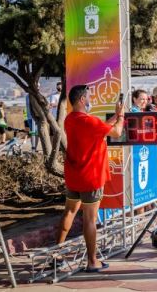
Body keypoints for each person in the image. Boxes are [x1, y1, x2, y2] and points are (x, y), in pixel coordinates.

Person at [57, 85, 124, 272]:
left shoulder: (70, 119)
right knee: (90, 219)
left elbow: (101, 127)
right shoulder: (89, 122)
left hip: (74, 176)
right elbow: (117, 132)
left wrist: (114, 116)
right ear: (81, 100)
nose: (90, 99)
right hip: (91, 177)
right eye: (88, 96)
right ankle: (92, 261)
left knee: (69, 212)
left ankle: (57, 255)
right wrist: (122, 116)